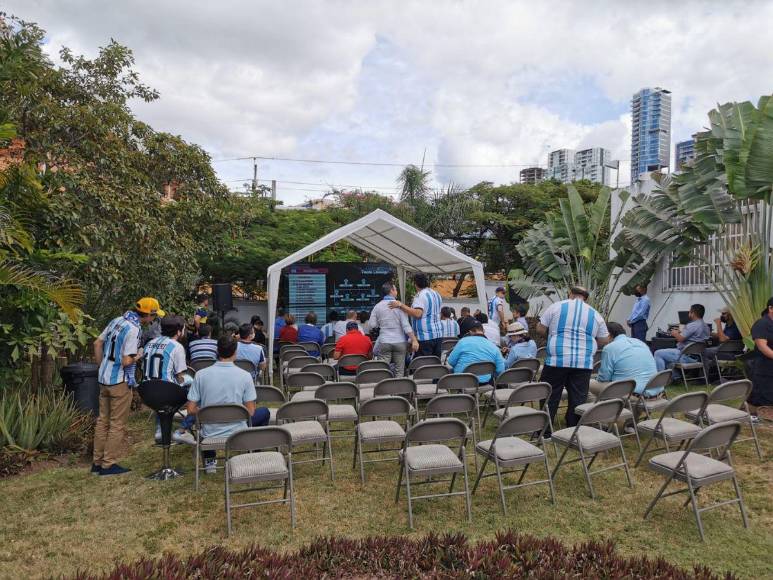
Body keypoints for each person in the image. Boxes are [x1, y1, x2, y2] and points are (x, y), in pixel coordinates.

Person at [91, 297, 163, 476]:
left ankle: (97, 463)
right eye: (153, 316)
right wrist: (138, 355)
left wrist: (101, 366)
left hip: (103, 378)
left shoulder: (117, 320)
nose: (153, 320)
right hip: (119, 382)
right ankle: (108, 465)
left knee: (102, 421)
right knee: (117, 424)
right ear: (147, 315)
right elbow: (126, 361)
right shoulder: (134, 329)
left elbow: (97, 343)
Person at [186, 335, 270, 474]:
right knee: (264, 412)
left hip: (210, 432)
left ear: (217, 351)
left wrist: (206, 412)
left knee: (204, 420)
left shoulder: (200, 375)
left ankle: (210, 461)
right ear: (235, 352)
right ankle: (254, 453)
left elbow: (190, 409)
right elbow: (250, 412)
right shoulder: (245, 375)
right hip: (238, 431)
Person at [537, 285, 609, 436]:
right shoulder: (595, 314)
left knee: (550, 394)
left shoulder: (556, 307)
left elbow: (540, 329)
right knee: (578, 397)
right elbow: (604, 339)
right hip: (583, 362)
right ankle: (573, 429)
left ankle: (545, 430)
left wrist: (552, 336)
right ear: (586, 298)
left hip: (557, 360)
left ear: (570, 293)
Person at [142, 316, 196, 444]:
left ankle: (160, 430)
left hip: (146, 392)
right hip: (166, 394)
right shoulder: (176, 347)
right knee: (198, 389)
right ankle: (182, 430)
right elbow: (180, 376)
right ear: (178, 331)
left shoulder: (149, 343)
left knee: (161, 387)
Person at [589, 322, 658, 398]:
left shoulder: (609, 348)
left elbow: (604, 378)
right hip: (654, 390)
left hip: (632, 394)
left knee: (587, 384)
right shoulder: (641, 343)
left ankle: (598, 405)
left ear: (608, 335)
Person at [367, 282, 419, 377]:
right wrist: (414, 340)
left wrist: (381, 323)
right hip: (399, 342)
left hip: (384, 341)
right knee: (399, 371)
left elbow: (372, 325)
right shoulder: (399, 306)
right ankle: (398, 386)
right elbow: (406, 326)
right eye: (396, 289)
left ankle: (385, 385)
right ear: (391, 290)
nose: (397, 291)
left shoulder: (377, 306)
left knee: (383, 370)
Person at [389, 273, 443, 357]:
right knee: (434, 362)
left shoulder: (420, 295)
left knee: (422, 363)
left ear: (415, 284)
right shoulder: (436, 294)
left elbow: (418, 314)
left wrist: (400, 305)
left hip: (425, 337)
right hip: (438, 334)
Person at [653, 304, 710, 379]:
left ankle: (660, 379)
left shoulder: (692, 325)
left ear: (692, 313)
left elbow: (680, 339)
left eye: (689, 312)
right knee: (664, 355)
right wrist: (682, 331)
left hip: (685, 356)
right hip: (698, 357)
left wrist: (674, 333)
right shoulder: (706, 326)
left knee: (658, 353)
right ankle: (675, 377)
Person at [749, 297, 773, 417]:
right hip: (764, 369)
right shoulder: (762, 324)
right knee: (765, 400)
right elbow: (763, 347)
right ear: (771, 308)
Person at [705, 307, 743, 372]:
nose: (721, 316)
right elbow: (721, 335)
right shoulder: (728, 325)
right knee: (706, 350)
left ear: (730, 315)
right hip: (725, 351)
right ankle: (712, 372)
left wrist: (718, 324)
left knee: (703, 352)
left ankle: (706, 374)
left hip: (730, 354)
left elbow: (722, 339)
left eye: (724, 314)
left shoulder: (735, 327)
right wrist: (709, 333)